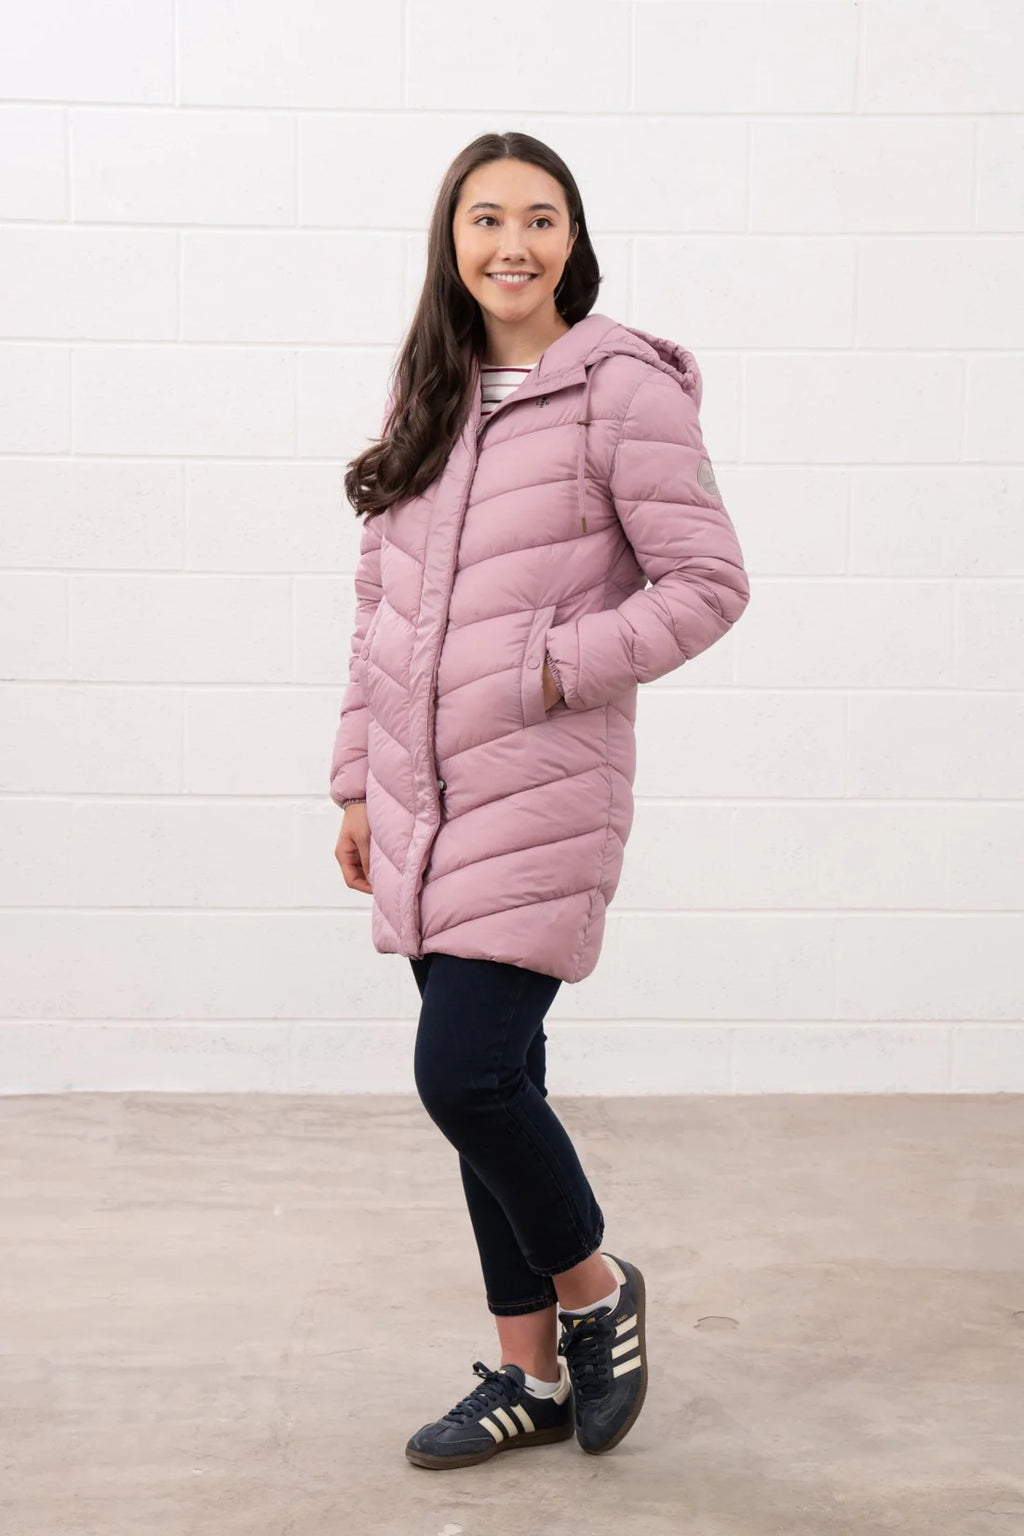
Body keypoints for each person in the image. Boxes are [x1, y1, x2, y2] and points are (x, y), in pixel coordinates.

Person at [329, 132, 750, 1469]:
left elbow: (707, 582)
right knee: (502, 1081)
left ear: (574, 238)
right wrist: (354, 781)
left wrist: (557, 663)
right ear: (450, 240)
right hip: (419, 799)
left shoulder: (622, 391)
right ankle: (527, 1380)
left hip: (537, 794)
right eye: (486, 218)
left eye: (541, 218)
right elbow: (377, 611)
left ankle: (595, 1290)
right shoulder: (431, 391)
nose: (514, 243)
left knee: (460, 1074)